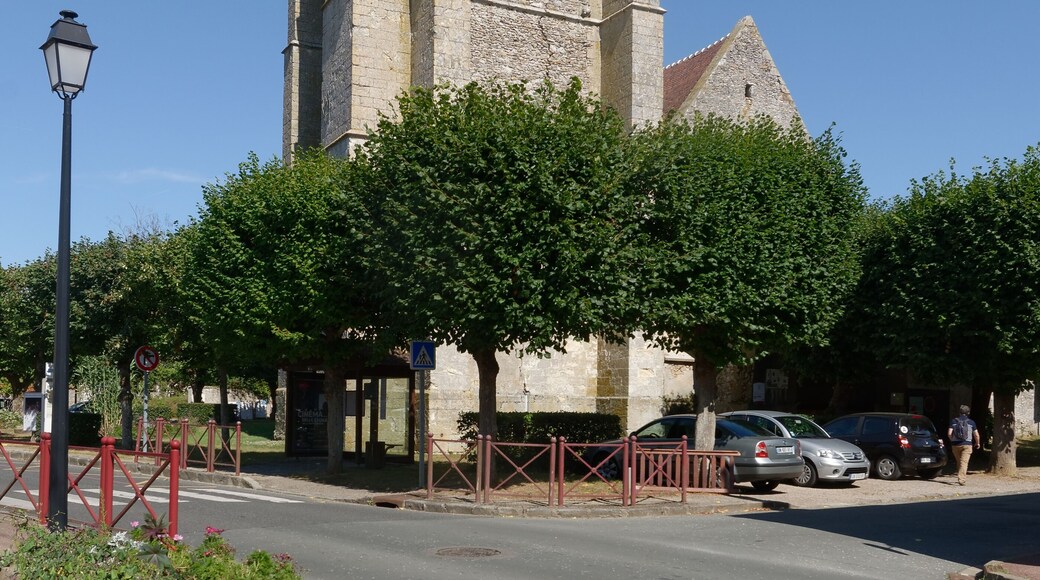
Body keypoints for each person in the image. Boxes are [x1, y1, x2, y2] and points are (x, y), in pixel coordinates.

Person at [947, 405, 980, 485]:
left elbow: (949, 433)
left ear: (959, 412)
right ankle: (961, 480)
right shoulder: (971, 422)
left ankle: (960, 476)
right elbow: (976, 435)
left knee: (959, 462)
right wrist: (977, 443)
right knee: (964, 462)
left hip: (955, 445)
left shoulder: (954, 421)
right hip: (967, 445)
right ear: (968, 413)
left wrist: (953, 440)